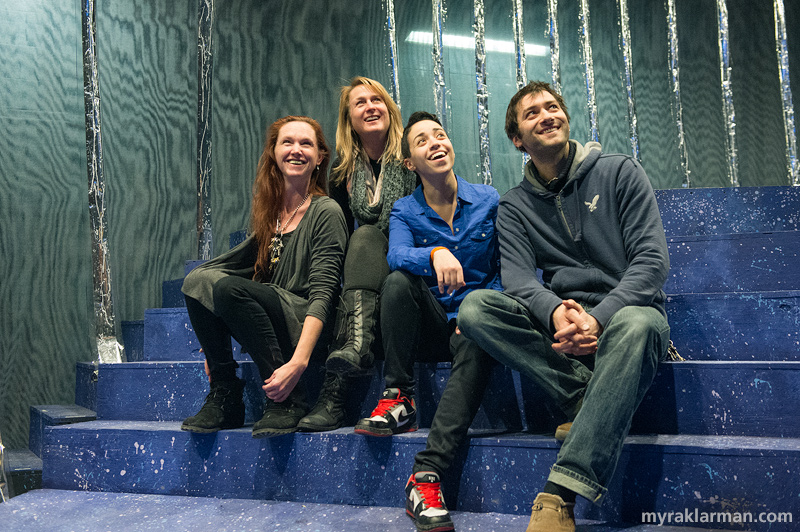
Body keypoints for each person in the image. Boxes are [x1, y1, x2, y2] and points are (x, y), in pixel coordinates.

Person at [457, 81, 672, 532]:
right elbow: (516, 279)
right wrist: (558, 313)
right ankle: (585, 397)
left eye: (552, 107)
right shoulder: (514, 206)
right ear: (517, 139)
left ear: (567, 118)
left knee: (636, 324)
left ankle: (560, 494)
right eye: (532, 113)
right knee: (476, 309)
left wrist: (599, 316)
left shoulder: (619, 172)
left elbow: (652, 262)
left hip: (627, 316)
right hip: (563, 330)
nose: (546, 115)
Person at [355, 111, 501, 532]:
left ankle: (425, 477)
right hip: (431, 322)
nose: (436, 143)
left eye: (440, 135)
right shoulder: (405, 209)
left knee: (477, 337)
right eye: (422, 141)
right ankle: (399, 396)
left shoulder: (489, 199)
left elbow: (506, 269)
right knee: (398, 281)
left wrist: (480, 309)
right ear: (409, 163)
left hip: (474, 323)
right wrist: (435, 253)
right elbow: (396, 255)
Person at [180, 116, 347, 439]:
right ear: (273, 151)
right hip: (272, 314)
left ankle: (287, 401)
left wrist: (298, 364)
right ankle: (226, 391)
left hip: (308, 322)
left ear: (320, 157)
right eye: (287, 142)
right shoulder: (270, 215)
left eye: (306, 144)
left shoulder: (326, 211)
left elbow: (324, 294)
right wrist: (214, 345)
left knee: (228, 289)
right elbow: (236, 279)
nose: (296, 150)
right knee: (197, 282)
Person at [296, 77, 417, 432]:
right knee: (356, 250)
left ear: (389, 109)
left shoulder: (413, 152)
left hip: (412, 267)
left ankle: (341, 383)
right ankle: (349, 361)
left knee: (365, 236)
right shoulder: (342, 174)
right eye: (360, 102)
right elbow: (335, 236)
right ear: (349, 119)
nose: (370, 106)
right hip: (367, 271)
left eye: (377, 99)